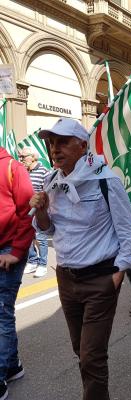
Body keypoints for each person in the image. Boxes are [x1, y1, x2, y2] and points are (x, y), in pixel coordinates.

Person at [29, 118, 131, 400]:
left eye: (63, 142)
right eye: (52, 143)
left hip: (100, 279)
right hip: (66, 278)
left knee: (91, 355)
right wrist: (40, 210)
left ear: (82, 145)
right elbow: (48, 228)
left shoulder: (106, 180)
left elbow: (127, 230)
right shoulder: (51, 180)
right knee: (81, 350)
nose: (55, 148)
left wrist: (119, 272)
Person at [0, 146, 34, 400]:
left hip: (10, 249)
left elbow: (28, 213)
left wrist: (18, 250)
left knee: (1, 313)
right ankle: (12, 366)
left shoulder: (13, 167)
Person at [18, 146, 49, 278]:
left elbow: (47, 193)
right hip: (25, 211)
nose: (21, 159)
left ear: (32, 157)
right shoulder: (23, 171)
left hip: (38, 211)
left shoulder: (44, 171)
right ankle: (32, 261)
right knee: (28, 238)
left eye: (23, 157)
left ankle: (42, 265)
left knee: (41, 238)